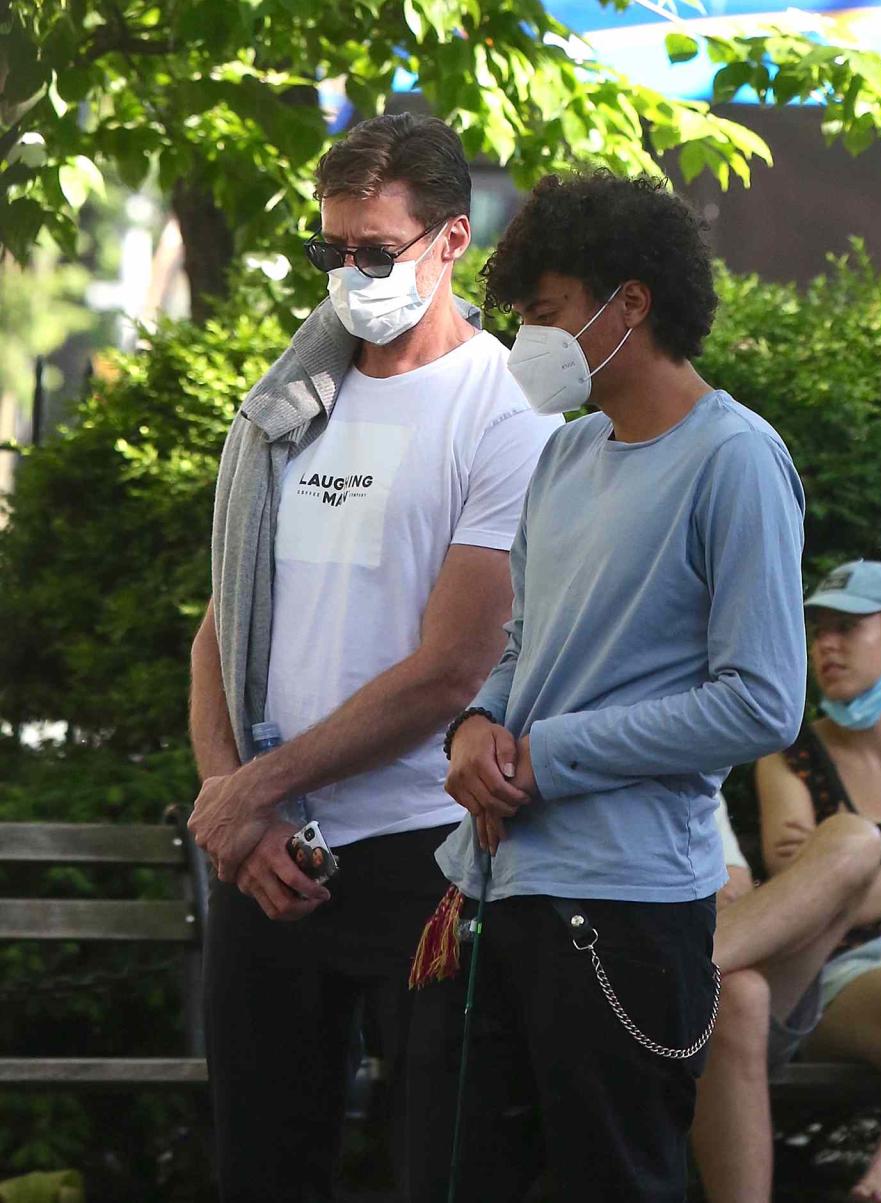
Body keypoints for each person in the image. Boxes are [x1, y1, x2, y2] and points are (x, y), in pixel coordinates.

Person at [404, 170, 808, 1203]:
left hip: (624, 908)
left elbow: (763, 700)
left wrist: (550, 756)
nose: (529, 340)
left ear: (632, 303)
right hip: (499, 885)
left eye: (545, 313)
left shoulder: (737, 459)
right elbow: (522, 642)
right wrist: (476, 724)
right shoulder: (566, 455)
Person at [186, 113, 560, 1203]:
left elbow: (454, 668)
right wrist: (233, 802)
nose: (349, 274)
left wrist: (253, 788)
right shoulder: (287, 402)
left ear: (451, 241)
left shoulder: (508, 407)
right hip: (267, 848)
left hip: (424, 854)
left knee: (440, 1166)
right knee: (260, 1167)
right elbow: (224, 623)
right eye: (329, 251)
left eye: (374, 250)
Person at [756, 560, 881, 1203]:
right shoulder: (790, 754)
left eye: (847, 627)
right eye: (817, 630)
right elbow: (805, 909)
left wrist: (857, 889)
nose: (825, 645)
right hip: (848, 974)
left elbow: (835, 893)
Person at [692, 794, 881, 1202]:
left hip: (701, 968)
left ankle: (683, 974)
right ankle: (683, 974)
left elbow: (734, 888)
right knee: (737, 994)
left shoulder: (687, 754)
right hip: (605, 974)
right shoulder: (545, 753)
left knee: (855, 836)